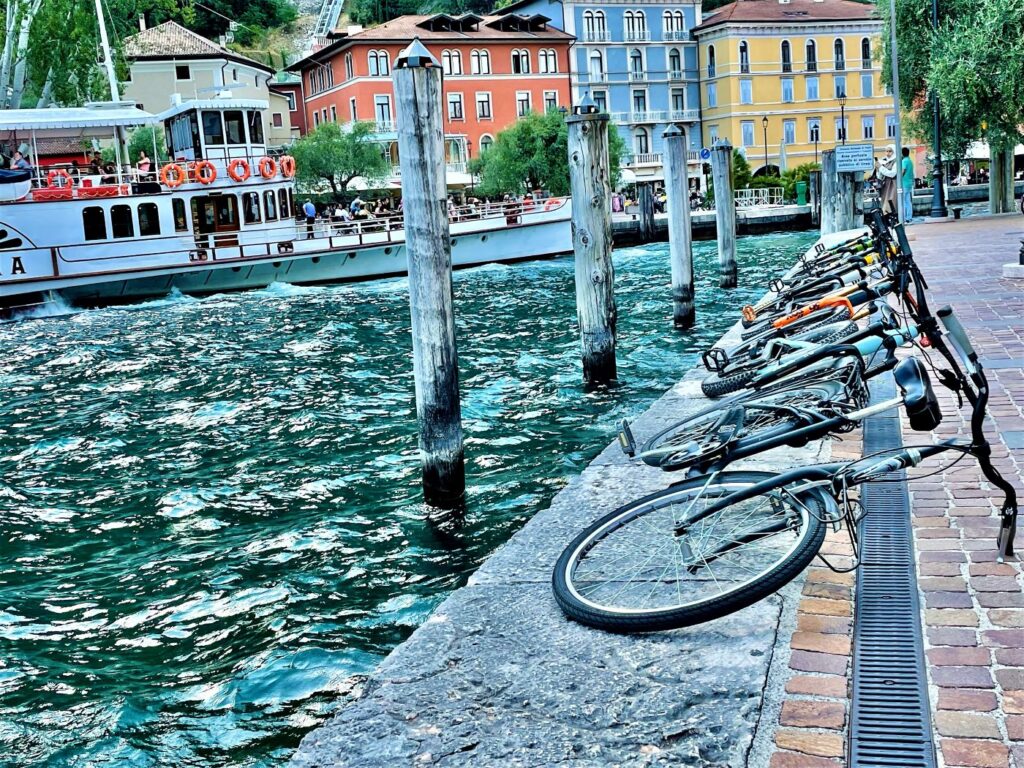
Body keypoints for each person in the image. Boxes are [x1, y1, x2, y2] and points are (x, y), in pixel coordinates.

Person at [876, 145, 898, 217]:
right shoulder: (885, 161)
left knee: (891, 202)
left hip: (893, 185)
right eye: (886, 151)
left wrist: (881, 167)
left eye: (890, 151)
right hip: (886, 185)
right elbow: (880, 175)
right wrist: (878, 169)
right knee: (885, 203)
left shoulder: (896, 161)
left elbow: (892, 174)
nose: (888, 153)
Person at [900, 147, 915, 224]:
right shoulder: (910, 161)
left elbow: (903, 171)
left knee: (903, 202)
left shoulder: (904, 161)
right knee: (908, 201)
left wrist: (899, 178)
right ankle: (909, 217)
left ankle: (905, 218)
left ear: (902, 153)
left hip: (904, 183)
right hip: (909, 183)